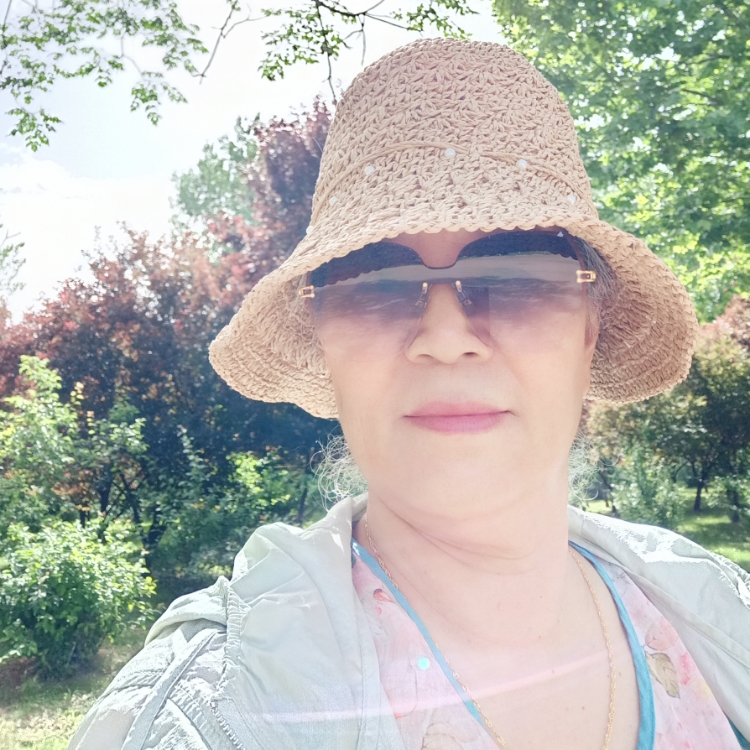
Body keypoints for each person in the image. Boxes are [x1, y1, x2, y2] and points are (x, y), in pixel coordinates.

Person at [69, 39, 750, 750]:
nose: (445, 338)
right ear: (325, 344)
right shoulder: (199, 718)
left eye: (517, 278)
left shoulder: (718, 613)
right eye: (374, 288)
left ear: (590, 330)